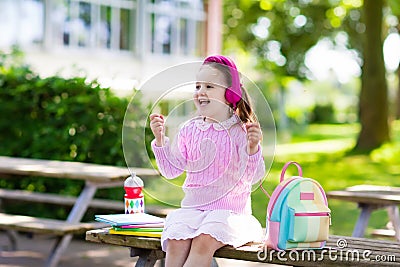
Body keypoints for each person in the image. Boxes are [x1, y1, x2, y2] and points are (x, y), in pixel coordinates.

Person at [149, 55, 265, 267]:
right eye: (197, 86)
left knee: (203, 243)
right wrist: (160, 141)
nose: (200, 91)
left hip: (230, 213)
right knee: (175, 242)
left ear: (229, 94)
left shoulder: (240, 131)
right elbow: (171, 171)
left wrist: (252, 148)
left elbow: (253, 176)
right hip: (192, 210)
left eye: (209, 86)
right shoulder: (189, 130)